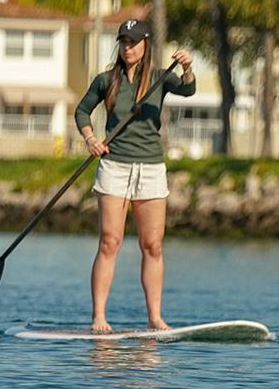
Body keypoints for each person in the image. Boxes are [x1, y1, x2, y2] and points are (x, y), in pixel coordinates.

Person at [74, 20, 195, 332]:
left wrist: (188, 67)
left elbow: (188, 89)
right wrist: (90, 139)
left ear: (145, 45)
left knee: (152, 246)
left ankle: (155, 318)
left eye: (134, 42)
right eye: (124, 42)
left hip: (151, 169)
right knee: (109, 242)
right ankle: (98, 316)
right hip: (114, 167)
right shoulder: (106, 80)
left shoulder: (160, 78)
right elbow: (82, 111)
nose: (128, 47)